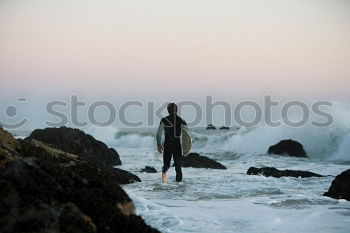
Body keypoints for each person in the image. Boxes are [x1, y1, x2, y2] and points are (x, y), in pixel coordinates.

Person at [156, 103, 187, 182]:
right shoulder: (182, 121)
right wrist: (185, 149)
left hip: (168, 145)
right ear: (176, 110)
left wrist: (159, 145)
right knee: (178, 166)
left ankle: (164, 183)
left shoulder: (164, 120)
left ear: (168, 110)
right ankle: (179, 186)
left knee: (166, 165)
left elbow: (158, 134)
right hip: (177, 145)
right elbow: (186, 137)